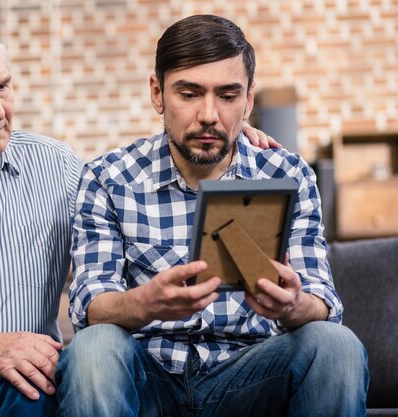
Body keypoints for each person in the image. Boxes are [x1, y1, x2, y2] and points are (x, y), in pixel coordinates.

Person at [0, 18, 279, 417]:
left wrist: (224, 135)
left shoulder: (58, 165)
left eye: (2, 87)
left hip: (20, 378)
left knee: (44, 376)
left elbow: (130, 193)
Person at [56, 14, 368, 417]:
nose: (208, 115)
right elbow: (89, 304)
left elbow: (324, 302)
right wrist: (144, 303)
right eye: (189, 94)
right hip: (148, 377)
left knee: (335, 343)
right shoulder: (108, 177)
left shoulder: (287, 175)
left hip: (252, 376)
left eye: (227, 95)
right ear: (157, 93)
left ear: (248, 100)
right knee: (94, 348)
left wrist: (291, 305)